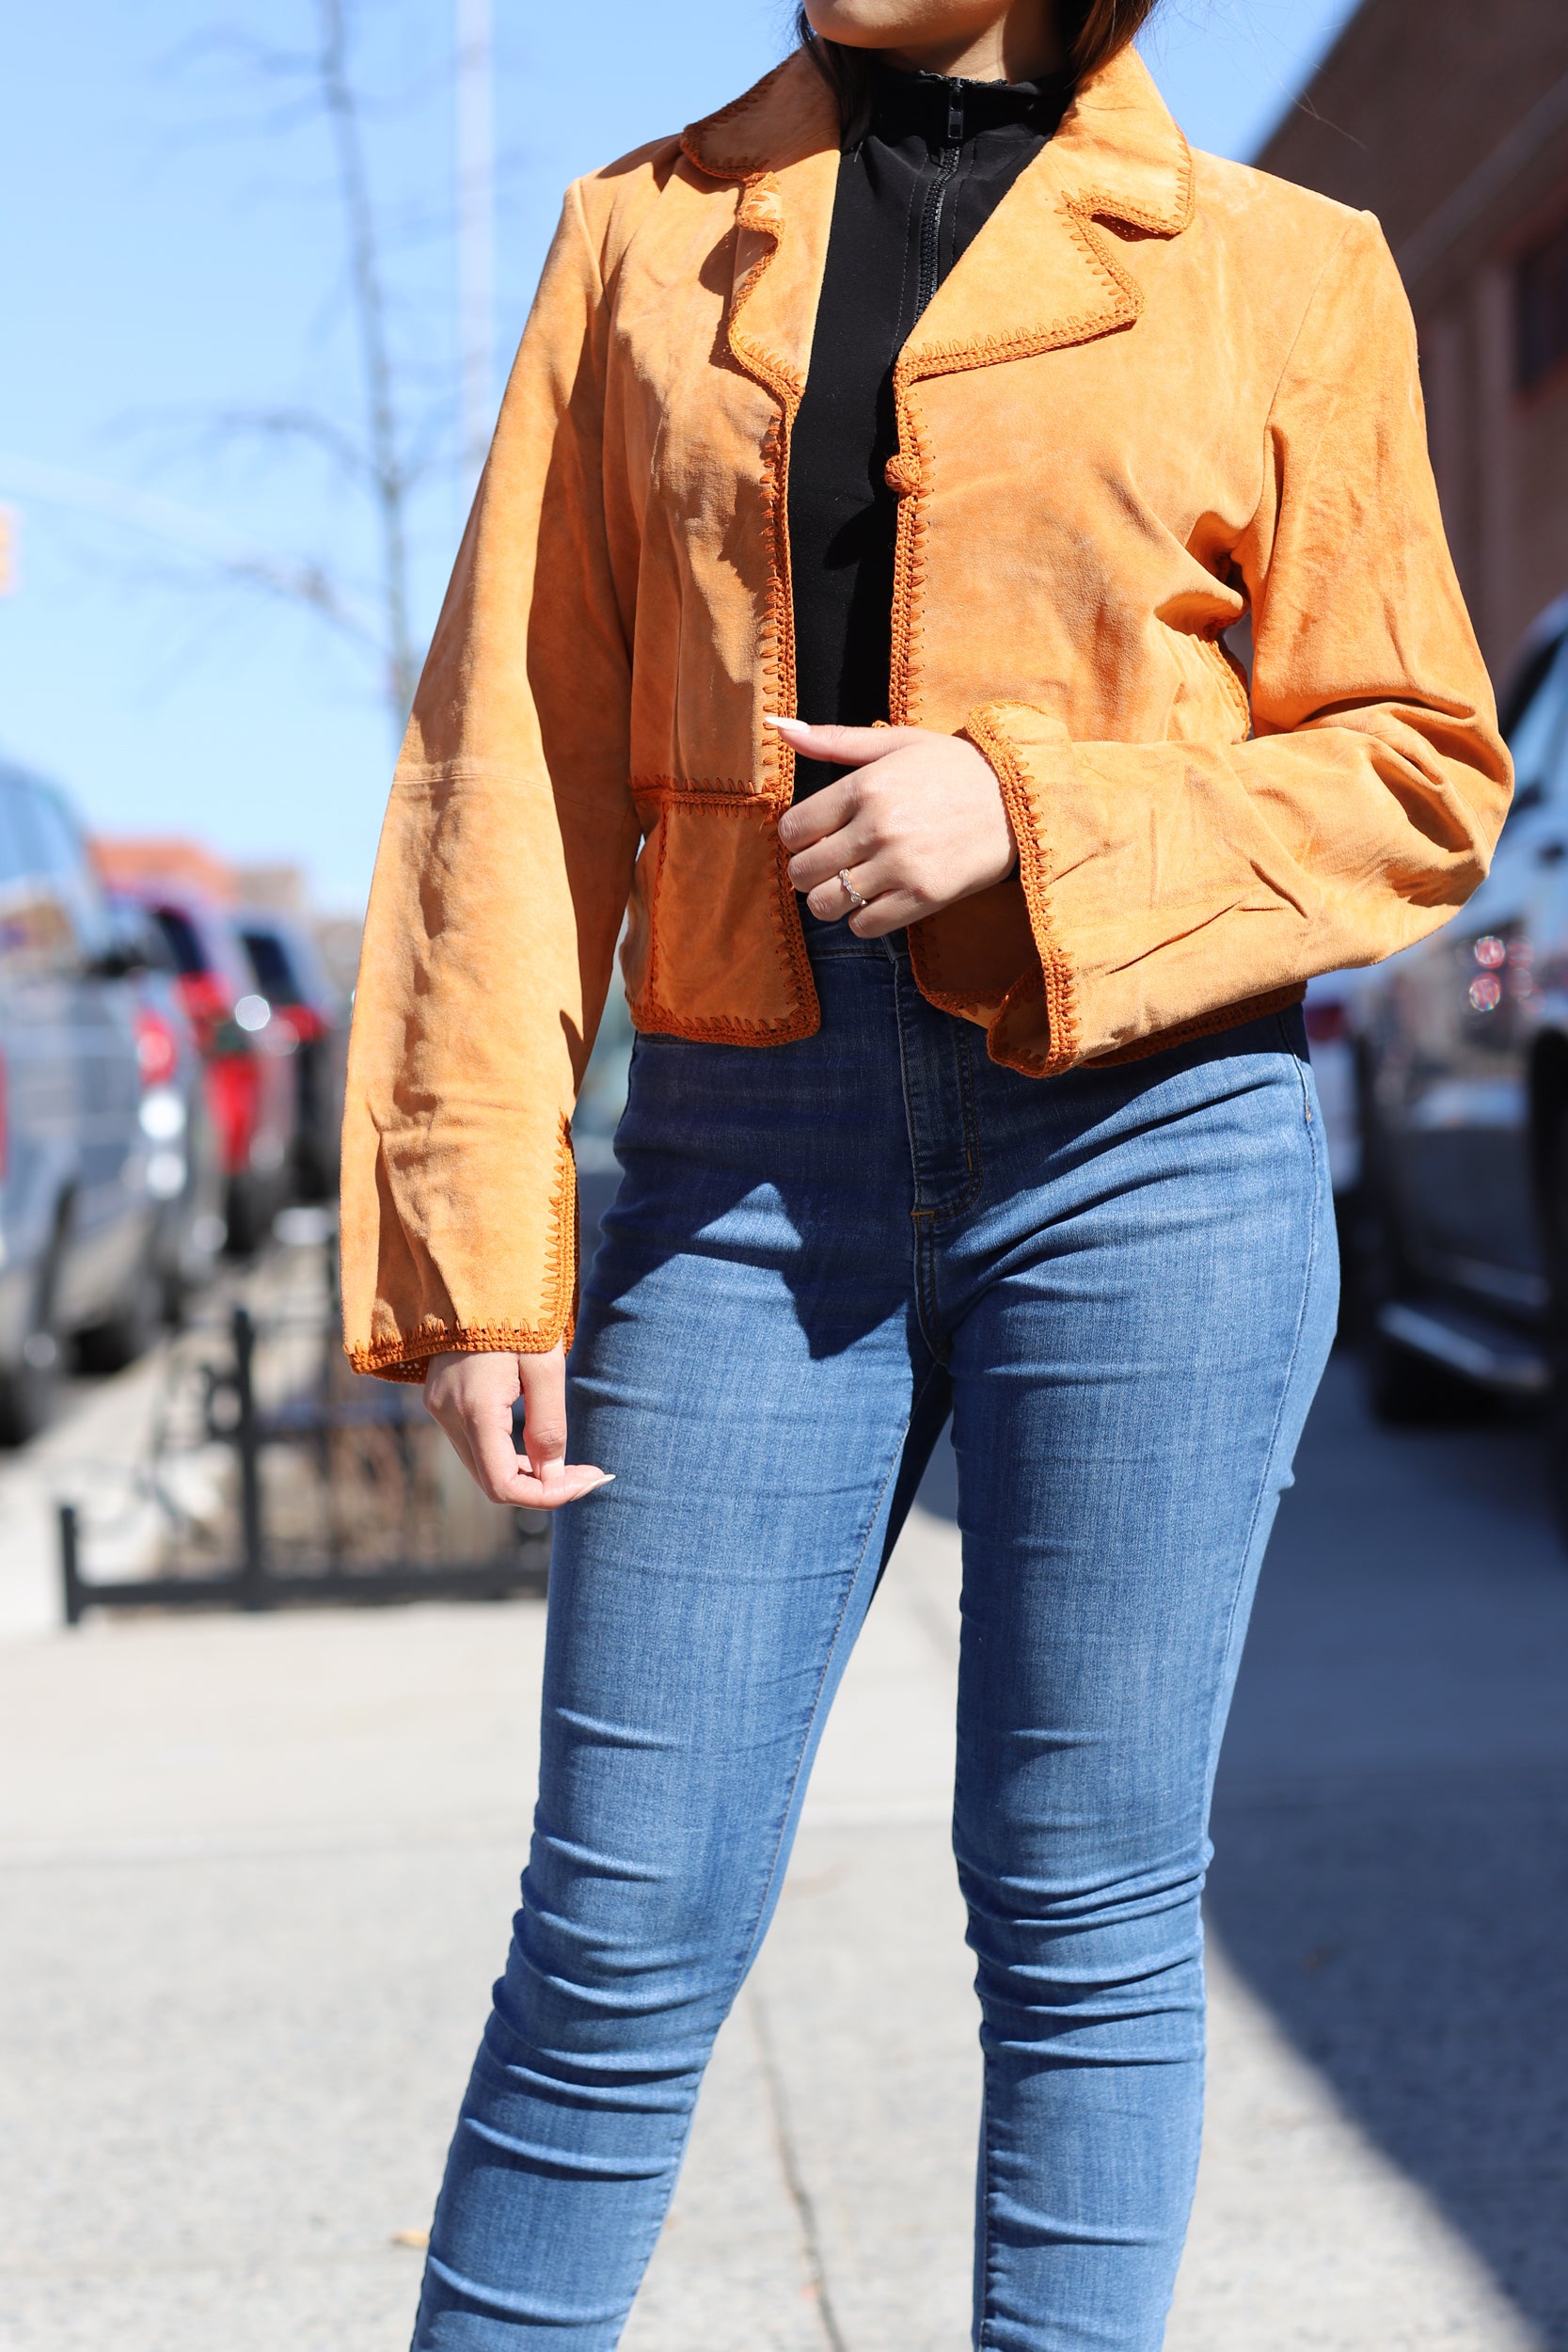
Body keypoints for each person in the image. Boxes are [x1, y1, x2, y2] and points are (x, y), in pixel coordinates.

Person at [340, 0, 1510, 2342]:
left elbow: (1417, 768)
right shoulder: (638, 242)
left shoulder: (1291, 265)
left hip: (1159, 1137)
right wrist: (480, 1249)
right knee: (620, 1916)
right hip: (739, 1155)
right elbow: (511, 760)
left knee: (1084, 1918)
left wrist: (1032, 811)